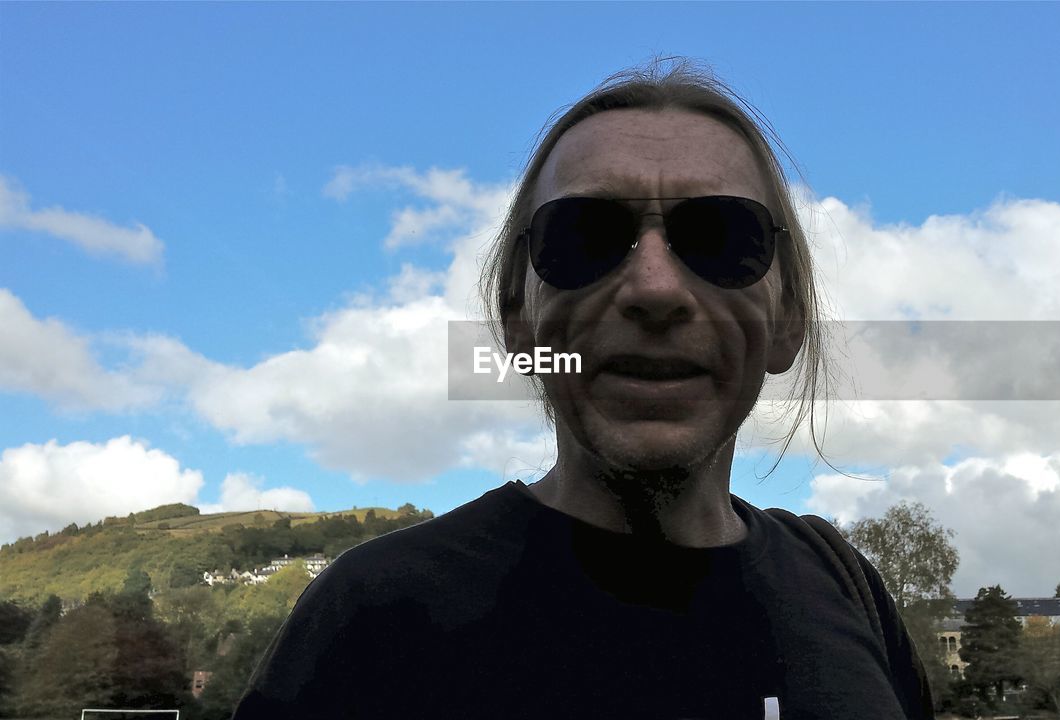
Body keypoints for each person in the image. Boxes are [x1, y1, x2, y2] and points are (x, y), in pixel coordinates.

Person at [233, 59, 933, 720]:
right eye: (586, 235)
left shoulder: (846, 590)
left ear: (786, 324)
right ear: (518, 323)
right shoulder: (373, 615)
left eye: (720, 236)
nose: (655, 289)